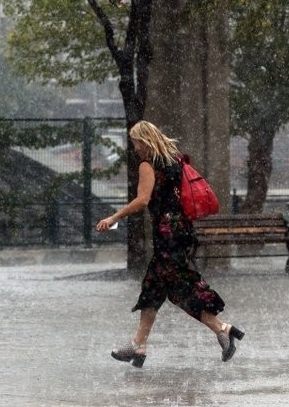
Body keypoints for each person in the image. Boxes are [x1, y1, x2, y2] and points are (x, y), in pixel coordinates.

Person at [96, 120, 244, 368]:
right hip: (182, 232)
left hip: (167, 236)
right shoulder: (175, 161)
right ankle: (138, 346)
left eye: (135, 143)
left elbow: (143, 200)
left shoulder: (148, 164)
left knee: (181, 289)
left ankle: (222, 329)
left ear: (144, 141)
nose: (134, 148)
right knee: (154, 288)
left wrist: (114, 217)